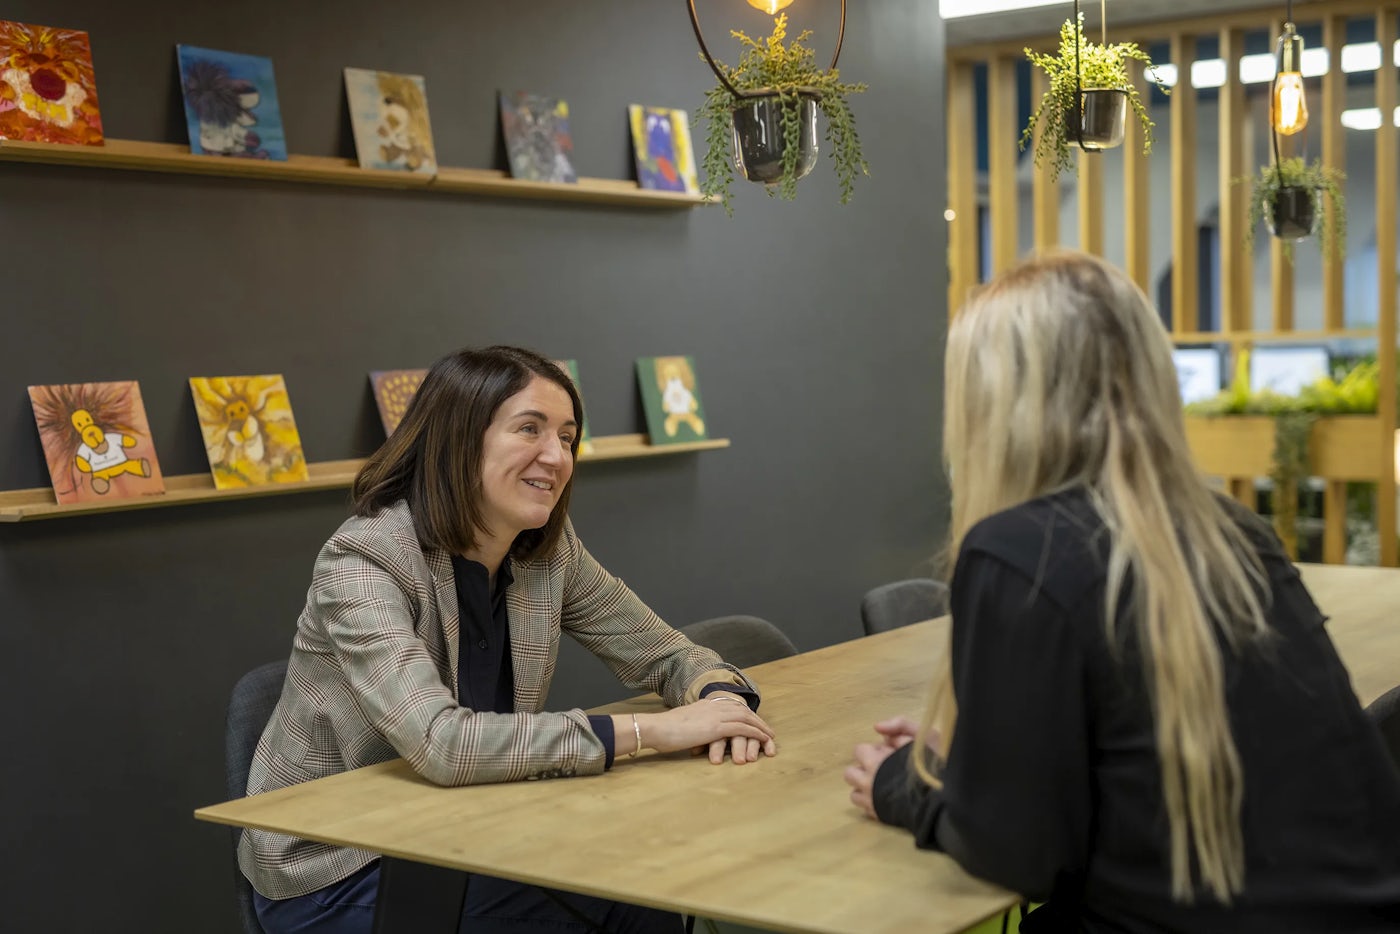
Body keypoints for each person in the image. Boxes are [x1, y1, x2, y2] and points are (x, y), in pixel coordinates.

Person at [844, 251, 1400, 932]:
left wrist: (905, 785)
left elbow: (1021, 856)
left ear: (992, 401)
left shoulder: (1019, 552)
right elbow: (1138, 763)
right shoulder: (1232, 530)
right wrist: (982, 768)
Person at [242, 345, 777, 934]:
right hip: (343, 869)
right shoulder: (365, 559)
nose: (556, 456)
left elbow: (667, 653)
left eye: (568, 437)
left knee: (645, 877)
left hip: (472, 829)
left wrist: (720, 699)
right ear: (459, 440)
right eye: (530, 429)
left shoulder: (547, 549)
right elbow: (441, 743)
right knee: (623, 898)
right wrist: (651, 730)